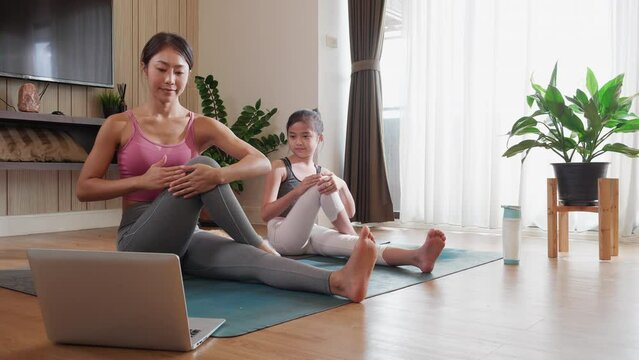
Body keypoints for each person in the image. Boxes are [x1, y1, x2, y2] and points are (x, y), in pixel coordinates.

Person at [76, 32, 377, 303]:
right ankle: (260, 243)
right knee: (203, 164)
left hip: (186, 239)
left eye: (179, 72)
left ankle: (339, 282)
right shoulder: (119, 124)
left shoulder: (200, 125)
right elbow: (85, 188)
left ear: (188, 75)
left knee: (253, 260)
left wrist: (220, 174)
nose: (170, 80)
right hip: (139, 241)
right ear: (145, 68)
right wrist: (143, 181)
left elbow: (258, 161)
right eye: (162, 69)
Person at [261, 109, 446, 272]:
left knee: (350, 243)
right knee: (322, 185)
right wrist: (298, 191)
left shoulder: (322, 172)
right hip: (281, 235)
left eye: (305, 136)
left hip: (310, 234)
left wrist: (340, 183)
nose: (298, 142)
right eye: (292, 136)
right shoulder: (279, 167)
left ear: (320, 138)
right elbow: (266, 214)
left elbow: (350, 212)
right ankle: (358, 243)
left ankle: (417, 257)